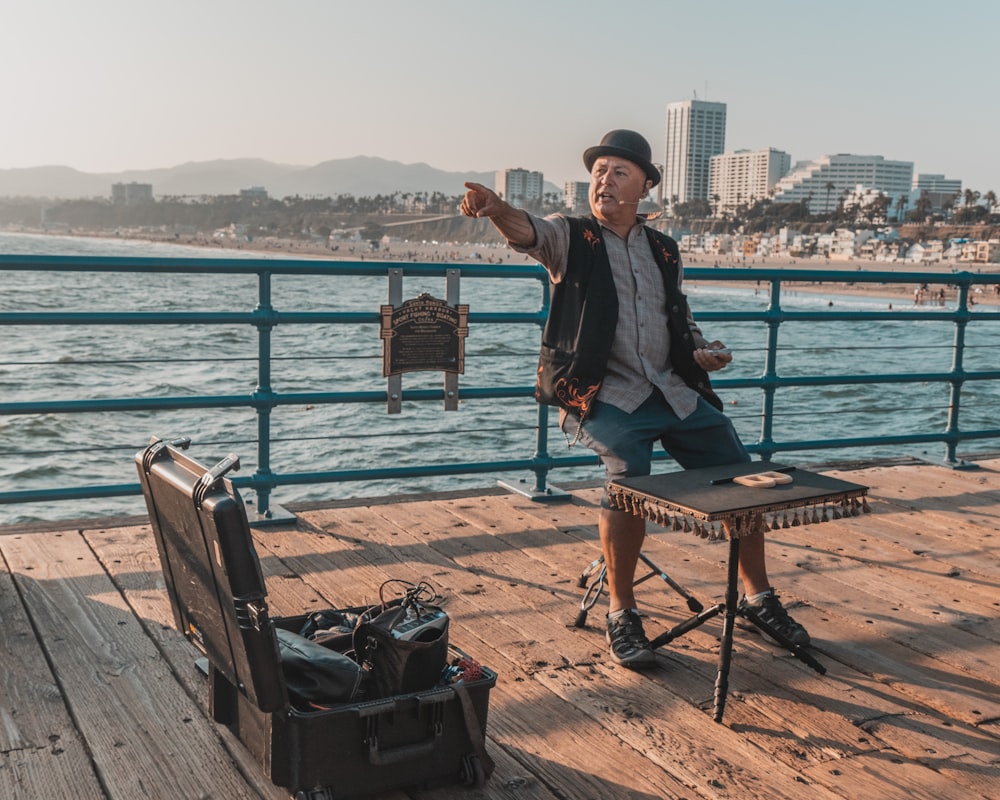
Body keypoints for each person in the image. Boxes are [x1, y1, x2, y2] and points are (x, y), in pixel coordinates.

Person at [461, 129, 810, 669]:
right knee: (629, 477)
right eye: (599, 171)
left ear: (645, 186)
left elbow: (679, 317)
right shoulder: (570, 236)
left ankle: (759, 598)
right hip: (604, 395)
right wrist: (495, 207)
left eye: (619, 171)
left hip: (672, 390)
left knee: (741, 475)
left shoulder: (665, 249)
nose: (604, 179)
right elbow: (526, 230)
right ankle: (621, 611)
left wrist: (701, 352)